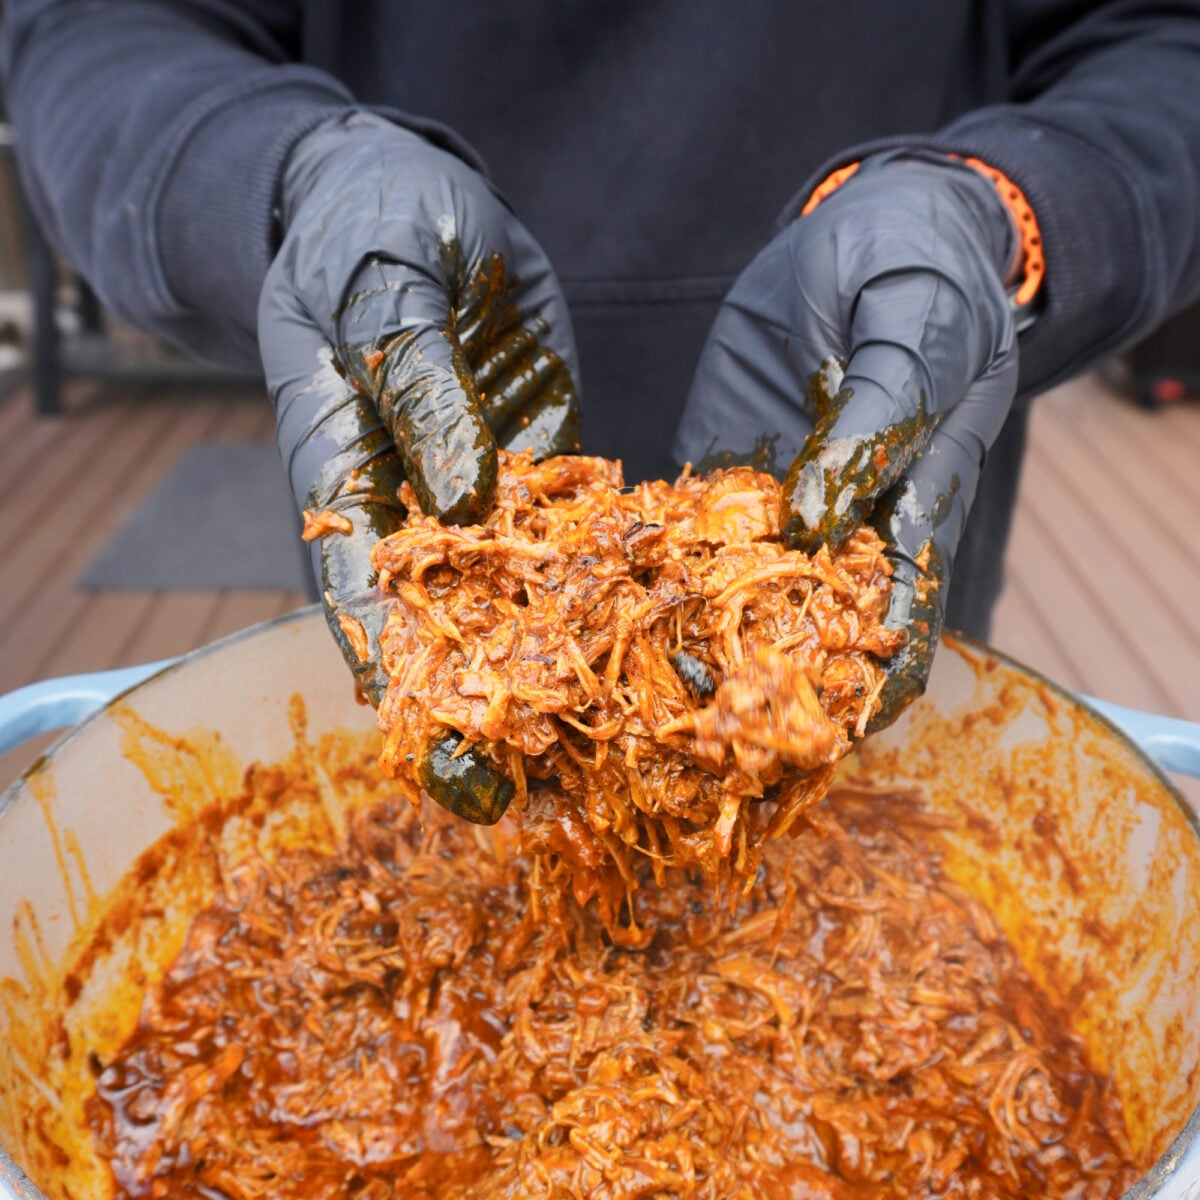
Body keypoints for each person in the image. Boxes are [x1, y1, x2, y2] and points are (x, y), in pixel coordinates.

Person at [5, 2, 1200, 809]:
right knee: (433, 773)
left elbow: (1159, 39)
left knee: (879, 816)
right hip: (422, 508)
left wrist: (1006, 209)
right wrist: (289, 178)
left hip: (869, 502)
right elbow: (98, 27)